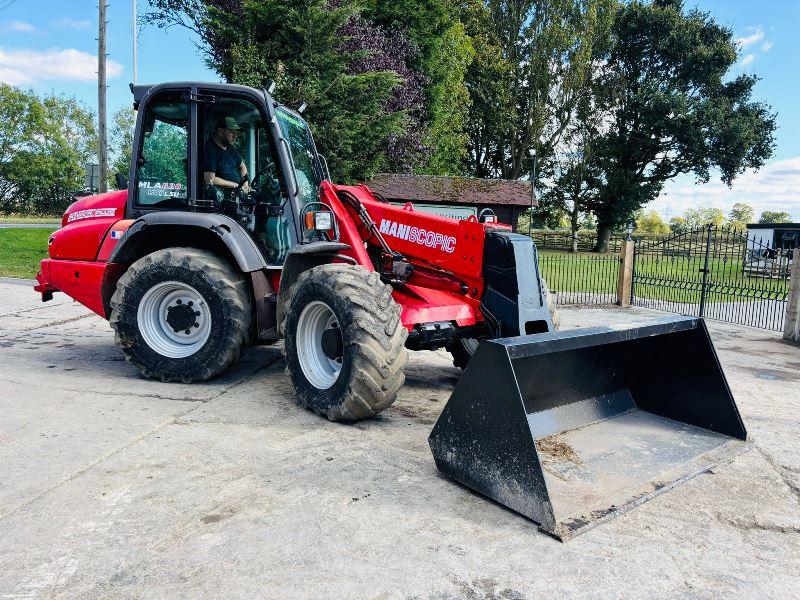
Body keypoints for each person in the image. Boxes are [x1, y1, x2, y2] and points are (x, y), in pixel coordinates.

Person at [204, 115, 249, 196]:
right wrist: (237, 186)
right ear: (220, 131)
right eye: (232, 132)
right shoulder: (210, 150)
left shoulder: (230, 148)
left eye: (236, 133)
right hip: (225, 199)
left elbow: (242, 166)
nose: (235, 136)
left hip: (238, 193)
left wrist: (245, 185)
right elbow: (210, 179)